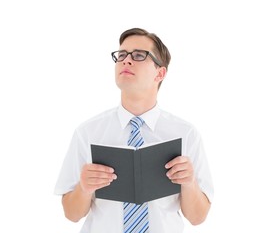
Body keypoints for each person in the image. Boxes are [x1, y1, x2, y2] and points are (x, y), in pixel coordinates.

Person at [54, 28, 214, 233]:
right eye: (121, 55)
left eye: (139, 55)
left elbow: (198, 218)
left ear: (160, 72)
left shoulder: (186, 134)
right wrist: (84, 188)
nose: (126, 60)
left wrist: (189, 183)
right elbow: (71, 214)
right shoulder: (88, 133)